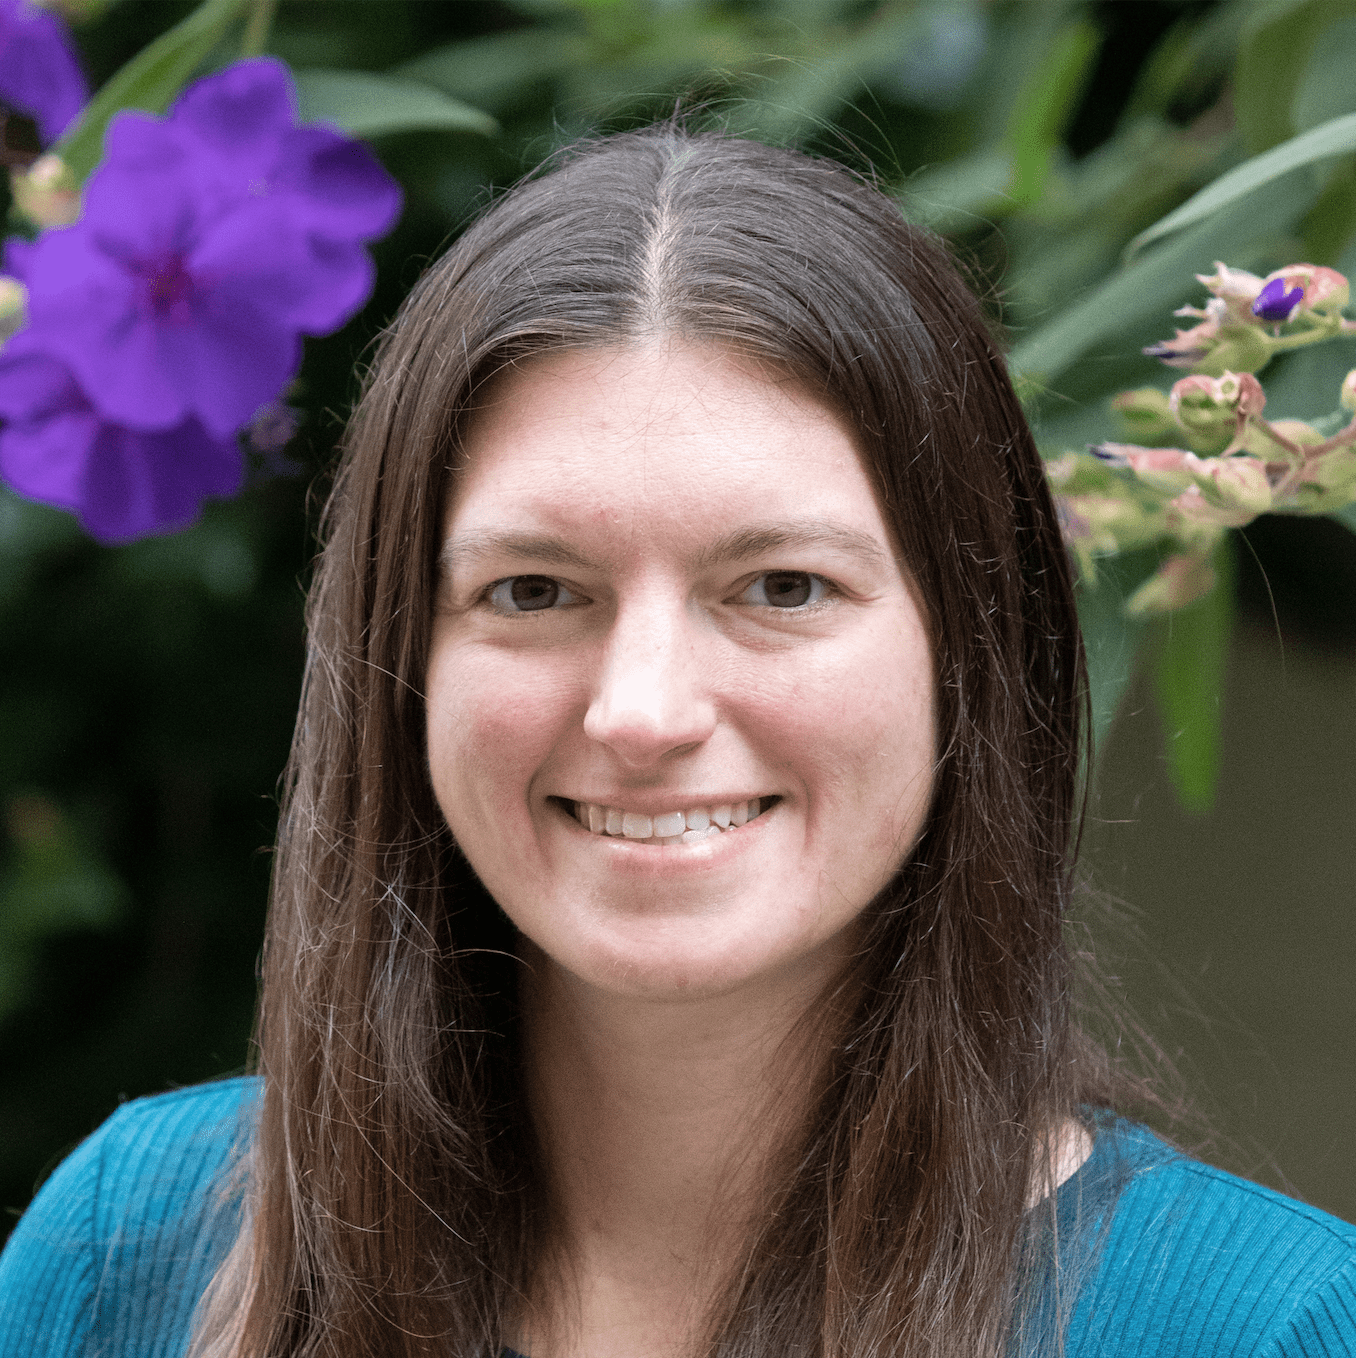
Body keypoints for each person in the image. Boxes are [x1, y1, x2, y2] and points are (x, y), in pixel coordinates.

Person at [1, 126, 1354, 1358]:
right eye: (533, 591)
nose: (642, 711)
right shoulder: (131, 1251)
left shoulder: (1255, 1324)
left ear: (974, 656)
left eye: (782, 588)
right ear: (398, 662)